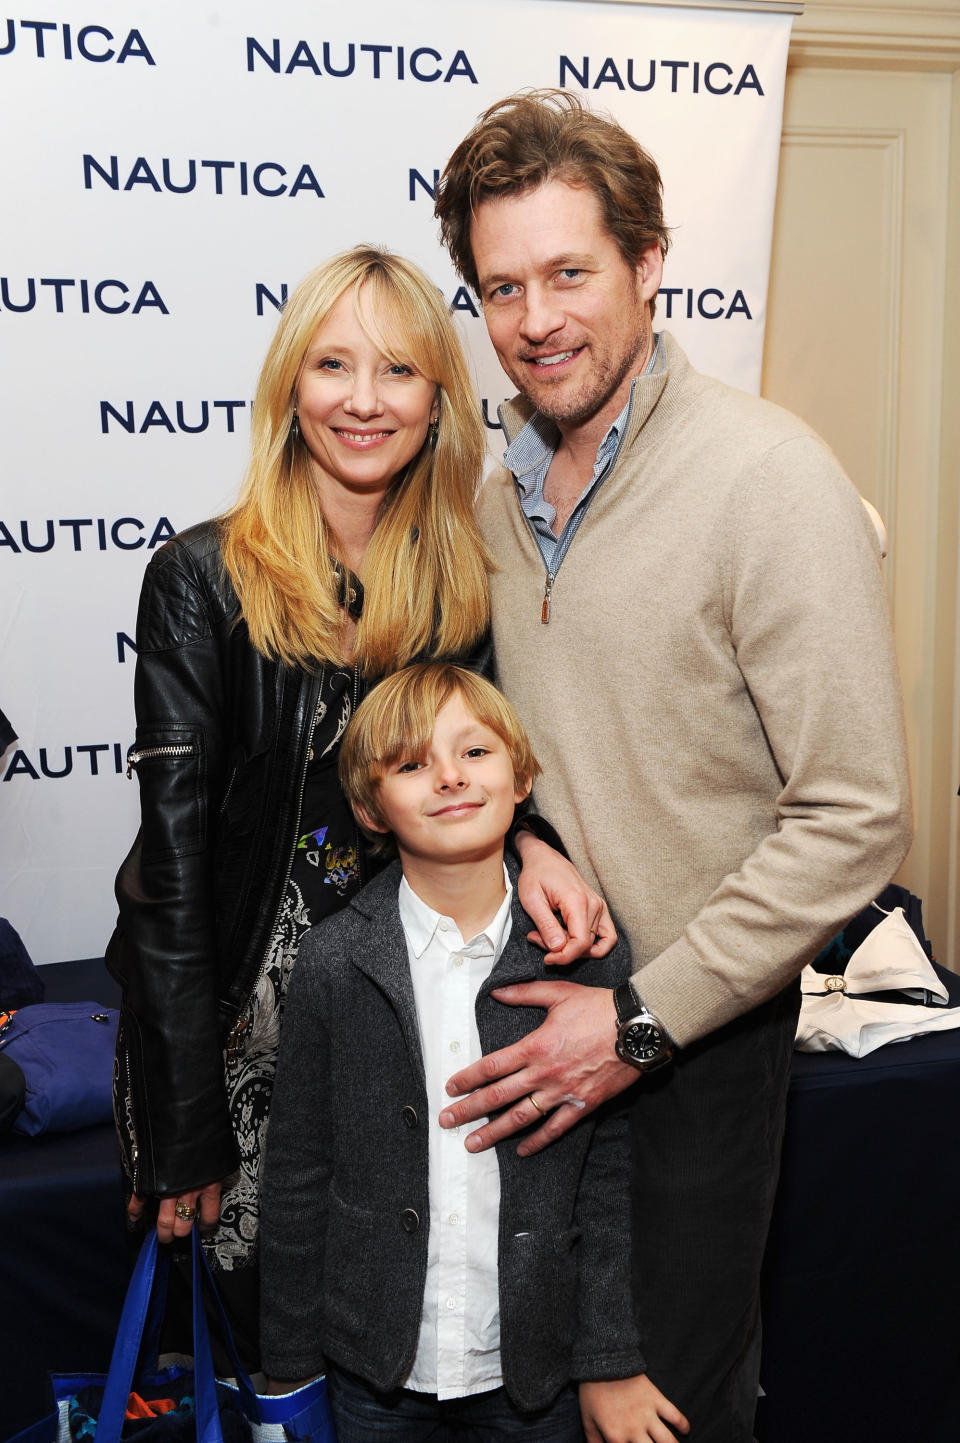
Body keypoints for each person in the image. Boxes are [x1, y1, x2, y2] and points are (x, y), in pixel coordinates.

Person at [432, 92, 913, 1440]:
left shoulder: (769, 479)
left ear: (649, 265)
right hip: (530, 1035)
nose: (537, 319)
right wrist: (524, 829)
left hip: (692, 1050)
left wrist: (639, 1022)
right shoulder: (493, 490)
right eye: (504, 286)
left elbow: (855, 815)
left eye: (571, 272)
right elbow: (513, 727)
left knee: (667, 1408)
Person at [105, 245, 613, 1368]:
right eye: (334, 365)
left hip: (402, 1012)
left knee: (402, 1330)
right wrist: (184, 1121)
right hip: (238, 1032)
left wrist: (535, 845)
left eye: (398, 370)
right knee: (265, 1358)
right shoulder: (204, 577)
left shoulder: (458, 576)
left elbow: (477, 766)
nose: (364, 400)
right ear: (293, 386)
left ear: (439, 399)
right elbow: (174, 869)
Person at [260, 661, 689, 1443]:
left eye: (476, 753)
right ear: (370, 807)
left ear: (522, 776)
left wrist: (607, 1356)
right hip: (373, 1373)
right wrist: (288, 1366)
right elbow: (295, 1173)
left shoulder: (586, 954)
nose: (450, 777)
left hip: (537, 1371)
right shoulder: (331, 962)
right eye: (413, 763)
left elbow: (607, 1178)